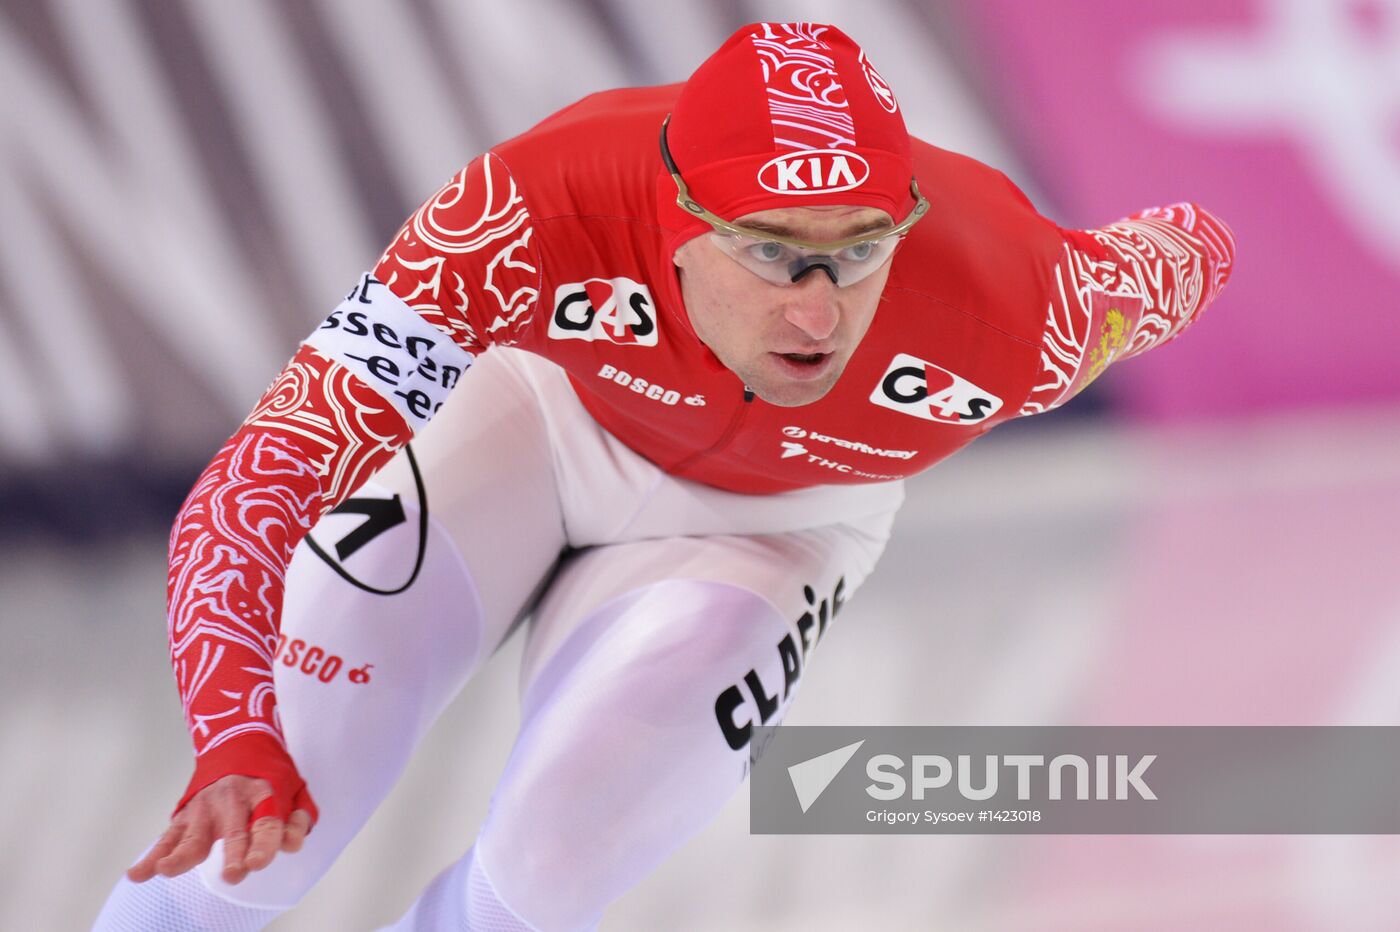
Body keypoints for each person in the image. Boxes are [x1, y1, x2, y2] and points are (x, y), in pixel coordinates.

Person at [94, 21, 1235, 931]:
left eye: (860, 248)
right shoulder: (521, 213)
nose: (817, 307)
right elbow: (258, 482)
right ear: (673, 215)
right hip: (539, 424)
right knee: (262, 833)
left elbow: (1188, 248)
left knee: (539, 880)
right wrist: (233, 731)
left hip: (777, 524)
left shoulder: (1013, 305)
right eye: (771, 248)